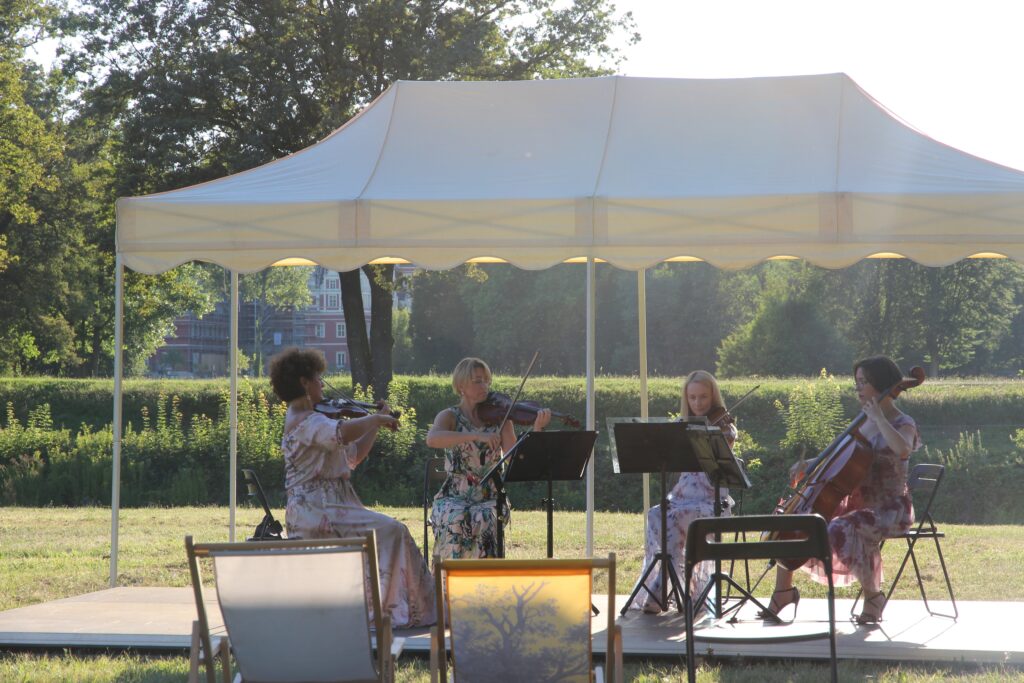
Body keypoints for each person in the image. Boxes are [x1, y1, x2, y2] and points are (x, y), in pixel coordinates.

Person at [269, 347, 435, 628]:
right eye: (318, 378)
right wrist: (375, 418)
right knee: (393, 530)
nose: (322, 384)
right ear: (304, 383)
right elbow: (341, 431)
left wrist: (375, 425)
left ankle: (391, 610)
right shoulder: (305, 421)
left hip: (329, 506)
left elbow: (353, 455)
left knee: (390, 532)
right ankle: (398, 614)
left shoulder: (310, 418)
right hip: (318, 510)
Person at [760, 355, 920, 626]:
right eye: (856, 382)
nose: (858, 388)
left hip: (890, 508)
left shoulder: (903, 422)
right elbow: (842, 456)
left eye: (864, 382)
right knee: (798, 522)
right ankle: (783, 592)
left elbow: (902, 449)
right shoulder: (863, 421)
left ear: (881, 385)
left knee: (842, 527)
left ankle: (874, 597)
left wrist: (880, 418)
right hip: (859, 505)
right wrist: (810, 463)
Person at [628, 370, 739, 614]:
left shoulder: (724, 427)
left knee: (676, 517)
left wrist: (713, 433)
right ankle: (674, 582)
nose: (698, 404)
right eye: (693, 398)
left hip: (712, 502)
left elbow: (726, 448)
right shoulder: (679, 426)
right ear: (686, 399)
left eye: (703, 398)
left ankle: (666, 588)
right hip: (682, 498)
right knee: (656, 513)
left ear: (713, 398)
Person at [426, 357, 551, 560]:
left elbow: (514, 458)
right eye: (477, 381)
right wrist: (475, 435)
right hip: (454, 495)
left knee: (488, 517)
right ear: (461, 386)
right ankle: (448, 583)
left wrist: (536, 431)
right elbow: (432, 439)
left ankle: (486, 585)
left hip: (490, 495)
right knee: (456, 517)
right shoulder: (449, 416)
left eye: (486, 380)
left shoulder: (501, 419)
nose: (484, 386)